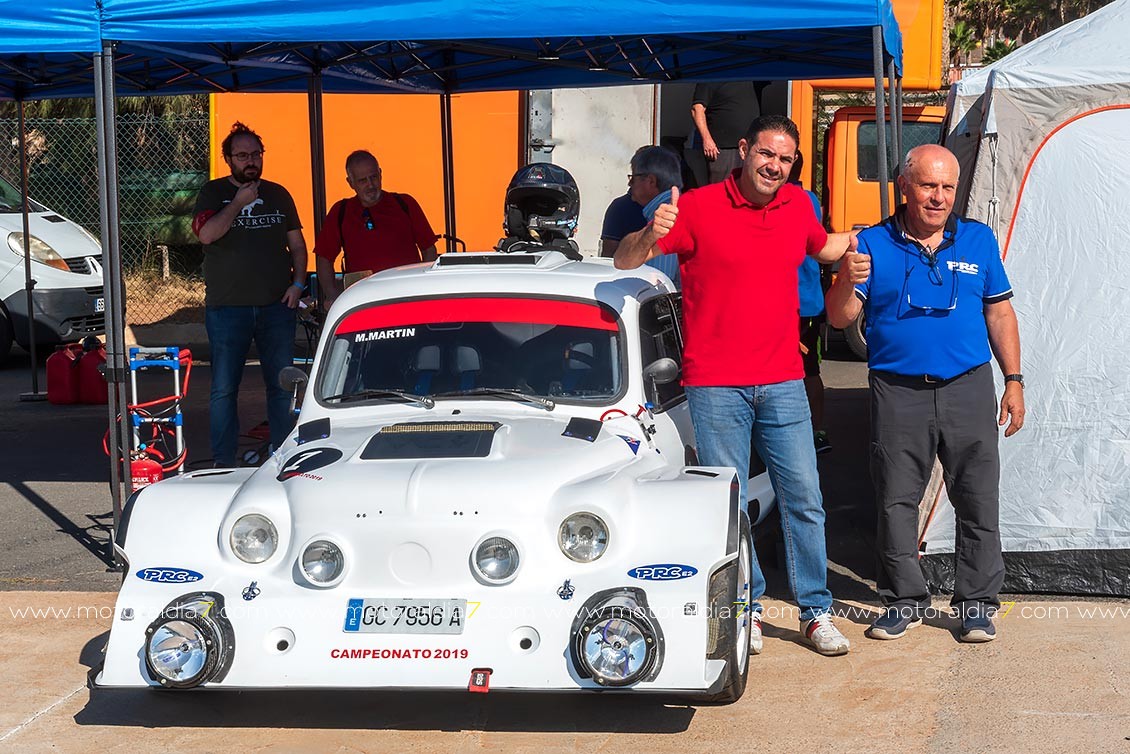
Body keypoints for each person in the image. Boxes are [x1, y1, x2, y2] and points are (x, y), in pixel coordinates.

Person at [614, 114, 858, 657]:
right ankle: (749, 608)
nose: (775, 166)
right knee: (730, 506)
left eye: (786, 159)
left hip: (784, 379)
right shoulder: (695, 207)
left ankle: (815, 611)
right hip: (716, 385)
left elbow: (824, 247)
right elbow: (624, 259)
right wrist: (650, 231)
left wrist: (869, 243)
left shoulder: (798, 205)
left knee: (805, 499)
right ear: (743, 150)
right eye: (767, 153)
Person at [825, 144, 1025, 644]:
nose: (938, 197)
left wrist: (1014, 380)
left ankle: (976, 604)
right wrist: (846, 279)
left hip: (968, 387)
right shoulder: (872, 242)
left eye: (948, 187)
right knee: (896, 499)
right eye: (928, 186)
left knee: (977, 497)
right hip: (898, 391)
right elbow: (840, 317)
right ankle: (903, 601)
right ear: (904, 187)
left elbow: (999, 312)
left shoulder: (977, 240)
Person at [193, 122, 307, 468]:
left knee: (281, 385)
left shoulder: (278, 194)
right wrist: (238, 203)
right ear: (228, 159)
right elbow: (206, 235)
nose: (251, 161)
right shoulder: (213, 193)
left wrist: (298, 284)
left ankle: (282, 456)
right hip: (228, 309)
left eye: (256, 154)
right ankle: (224, 461)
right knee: (224, 388)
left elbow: (298, 246)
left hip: (277, 306)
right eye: (242, 156)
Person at [314, 150, 438, 307]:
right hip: (362, 302)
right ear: (350, 182)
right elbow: (324, 258)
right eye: (362, 180)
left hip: (406, 297)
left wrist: (425, 287)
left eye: (373, 177)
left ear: (380, 174)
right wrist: (332, 296)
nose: (370, 185)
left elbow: (429, 249)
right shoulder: (341, 211)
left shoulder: (405, 203)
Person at [790, 151, 831, 454]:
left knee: (799, 372)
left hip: (798, 302)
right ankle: (816, 431)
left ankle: (809, 432)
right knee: (808, 371)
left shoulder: (795, 200)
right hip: (809, 301)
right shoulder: (811, 199)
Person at [601, 146, 683, 288]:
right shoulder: (684, 206)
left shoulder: (670, 215)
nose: (629, 184)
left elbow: (658, 284)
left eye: (633, 178)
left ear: (650, 181)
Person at [689, 81, 760, 185]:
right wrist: (707, 139)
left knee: (746, 187)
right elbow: (697, 109)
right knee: (722, 188)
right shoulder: (710, 79)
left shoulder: (748, 77)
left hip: (749, 147)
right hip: (723, 149)